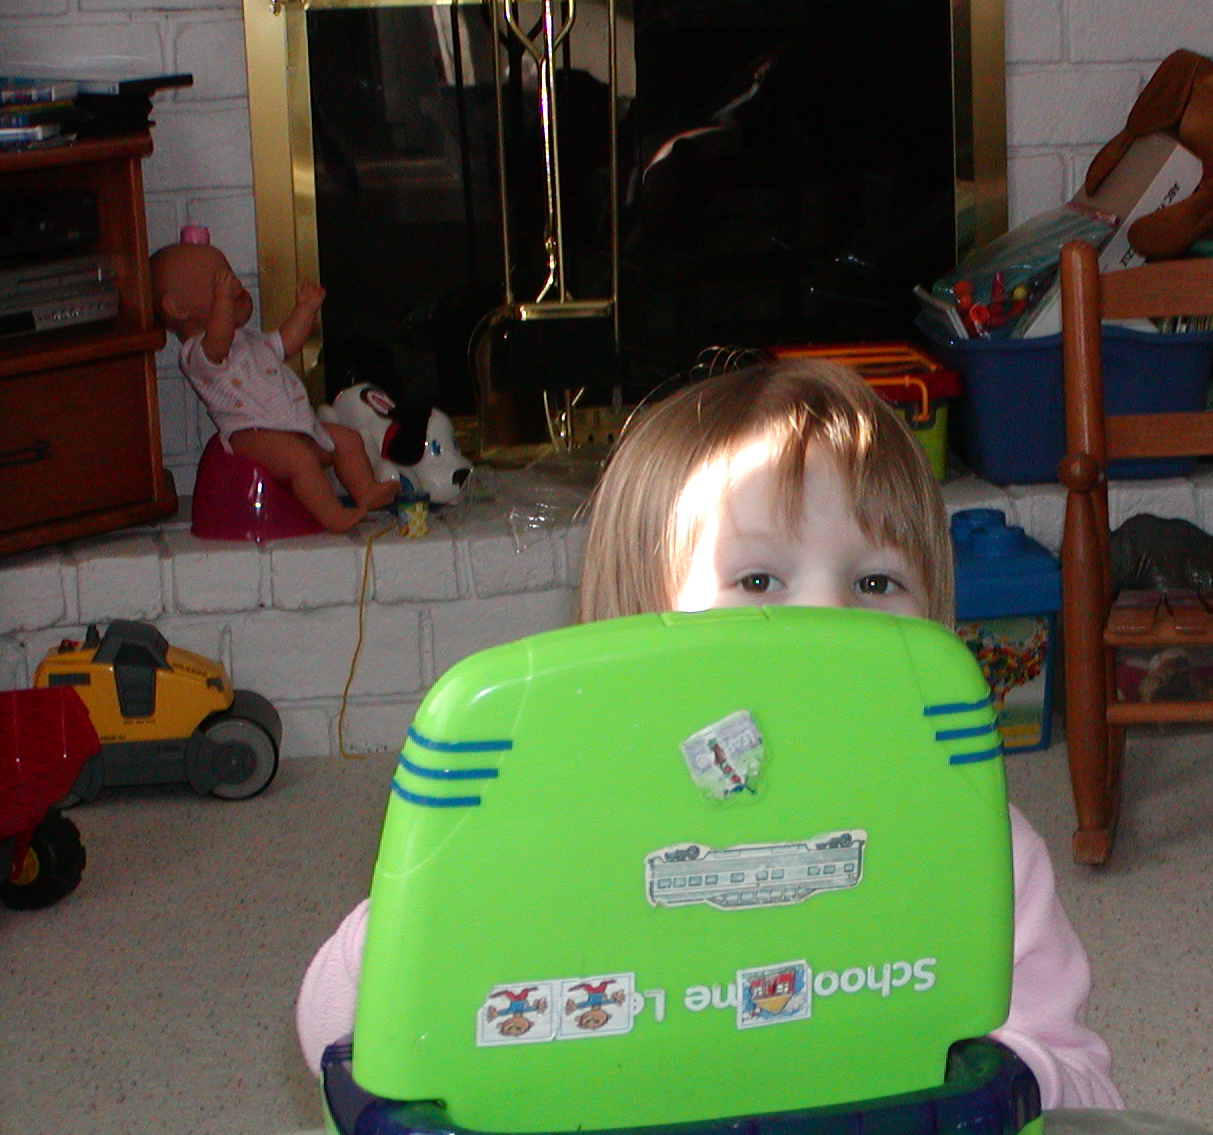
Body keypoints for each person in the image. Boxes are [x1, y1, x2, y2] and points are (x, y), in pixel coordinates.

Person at [296, 358, 1123, 1111]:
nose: (827, 620)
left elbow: (1082, 1086)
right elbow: (340, 1036)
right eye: (759, 579)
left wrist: (1009, 1085)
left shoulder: (978, 847)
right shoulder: (560, 829)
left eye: (876, 582)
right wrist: (437, 900)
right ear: (634, 630)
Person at [150, 228, 399, 532]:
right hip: (251, 434)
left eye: (230, 275)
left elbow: (286, 343)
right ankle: (333, 515)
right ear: (178, 308)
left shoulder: (248, 339)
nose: (234, 284)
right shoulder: (197, 353)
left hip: (293, 425)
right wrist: (224, 301)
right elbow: (218, 341)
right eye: (219, 281)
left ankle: (366, 491)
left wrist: (305, 309)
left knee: (348, 440)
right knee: (300, 460)